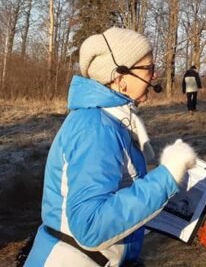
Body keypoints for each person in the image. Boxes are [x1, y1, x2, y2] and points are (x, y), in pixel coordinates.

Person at [25, 27, 197, 267]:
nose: (154, 75)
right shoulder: (96, 127)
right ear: (120, 77)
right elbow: (90, 226)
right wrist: (167, 176)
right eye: (148, 68)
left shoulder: (114, 120)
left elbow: (119, 194)